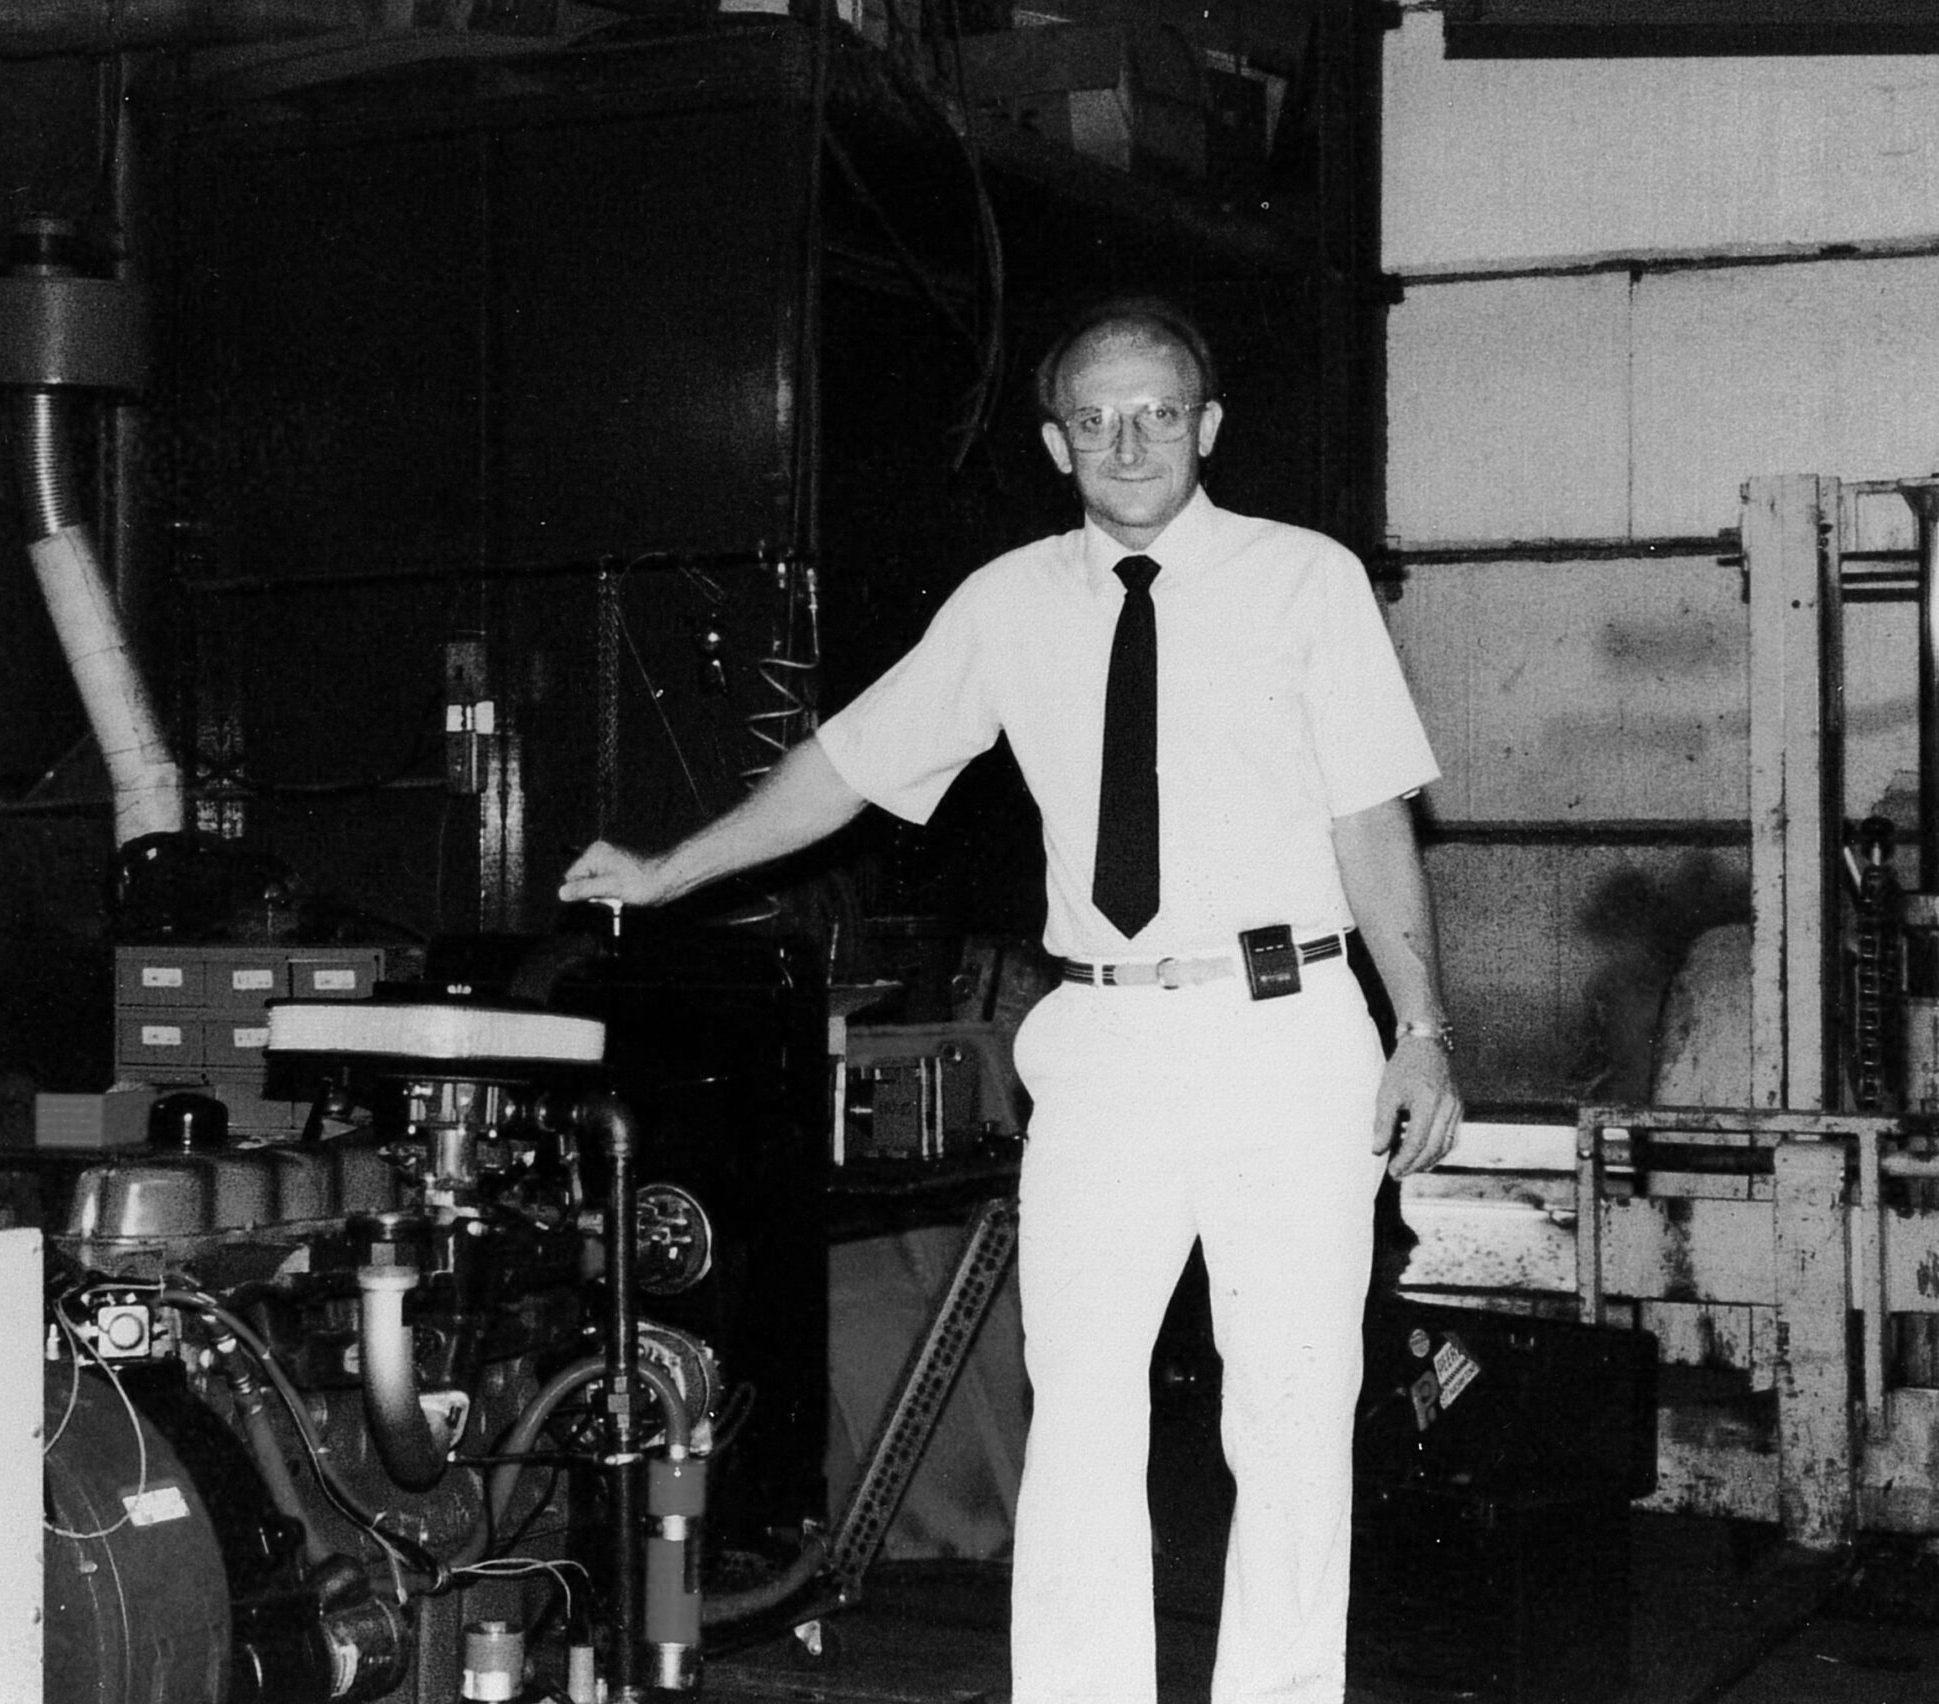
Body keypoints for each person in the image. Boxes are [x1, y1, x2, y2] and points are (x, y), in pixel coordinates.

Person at [561, 297, 1461, 1704]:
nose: (1129, 442)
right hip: (1102, 1042)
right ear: (1056, 443)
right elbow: (849, 766)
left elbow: (1371, 822)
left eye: (1158, 412)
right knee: (1081, 1407)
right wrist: (676, 868)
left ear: (1207, 428)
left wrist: (1421, 1030)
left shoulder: (1308, 582)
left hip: (1285, 1033)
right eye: (1095, 420)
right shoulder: (1007, 602)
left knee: (1289, 1415)